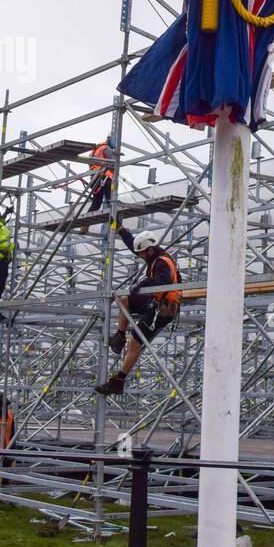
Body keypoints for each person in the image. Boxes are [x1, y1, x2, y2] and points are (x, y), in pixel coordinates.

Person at [96, 225, 181, 395]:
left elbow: (161, 281)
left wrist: (141, 285)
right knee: (125, 301)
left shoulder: (163, 263)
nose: (140, 257)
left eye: (142, 253)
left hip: (163, 310)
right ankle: (119, 337)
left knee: (135, 342)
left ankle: (119, 380)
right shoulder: (153, 257)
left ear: (150, 250)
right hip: (154, 303)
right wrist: (121, 230)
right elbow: (133, 246)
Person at [87, 137, 116, 213]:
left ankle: (84, 225)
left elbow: (90, 165)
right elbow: (113, 164)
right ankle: (118, 224)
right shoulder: (106, 149)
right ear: (109, 139)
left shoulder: (95, 150)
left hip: (95, 178)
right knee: (112, 202)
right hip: (105, 178)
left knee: (96, 204)